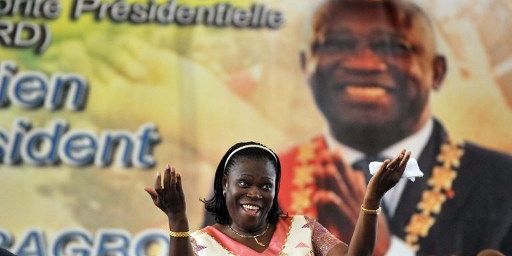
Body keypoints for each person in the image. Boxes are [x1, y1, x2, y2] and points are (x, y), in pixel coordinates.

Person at [278, 0, 512, 255]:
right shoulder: (270, 181)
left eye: (393, 46)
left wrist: (386, 249)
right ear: (305, 65)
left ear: (437, 71)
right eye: (337, 44)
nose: (364, 64)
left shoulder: (502, 181)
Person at [145, 141, 411, 255]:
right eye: (244, 183)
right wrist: (177, 218)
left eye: (265, 186)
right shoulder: (201, 243)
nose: (255, 194)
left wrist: (372, 198)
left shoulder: (303, 229)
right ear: (225, 185)